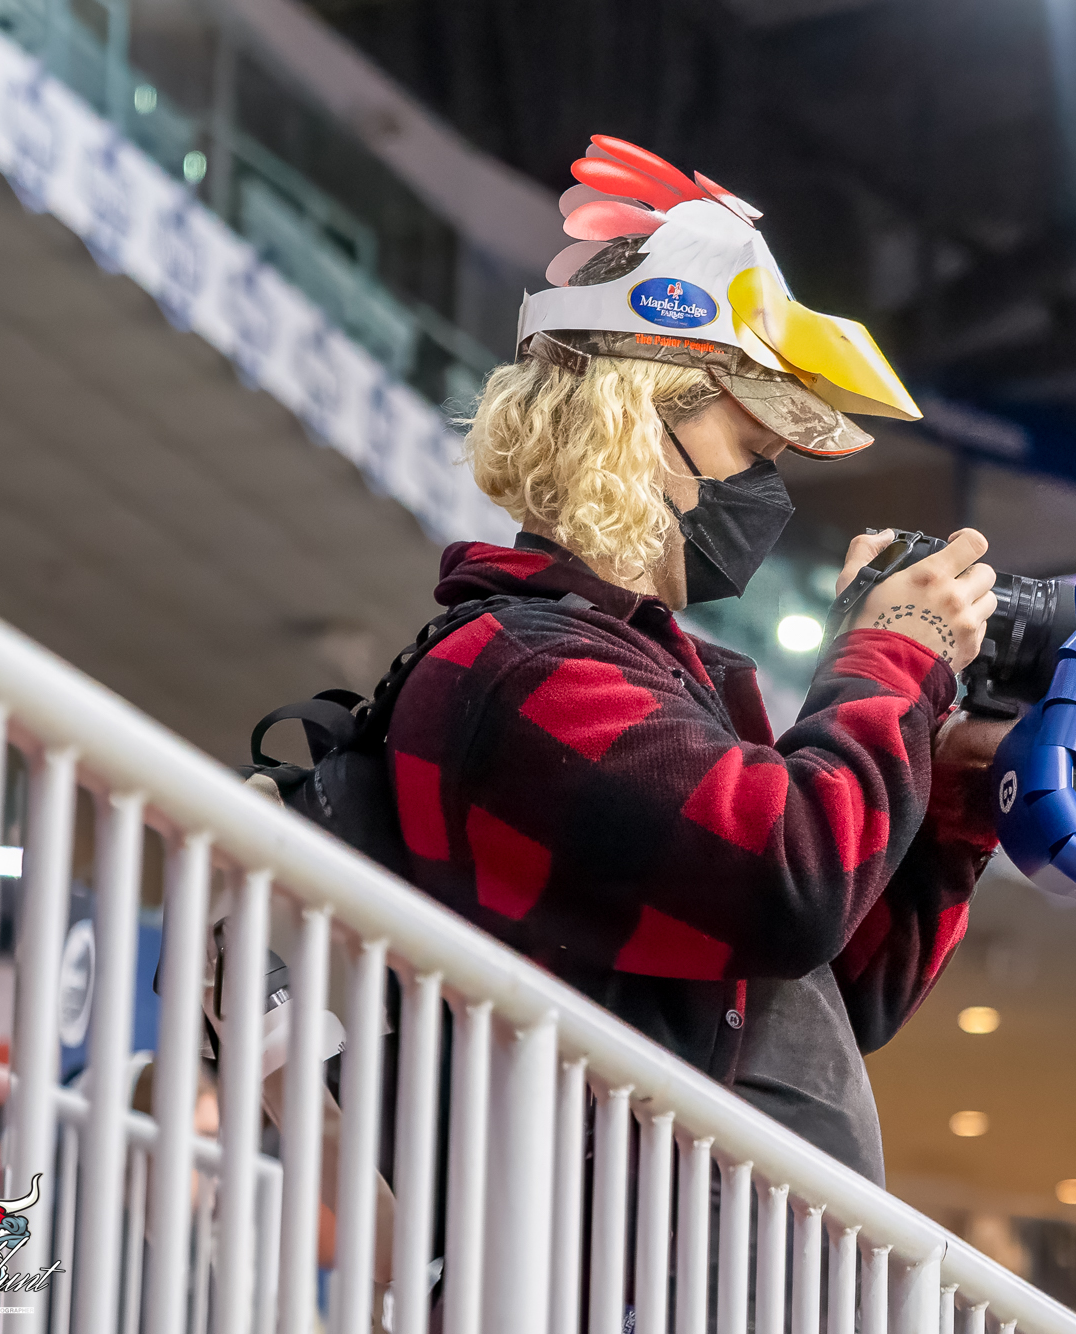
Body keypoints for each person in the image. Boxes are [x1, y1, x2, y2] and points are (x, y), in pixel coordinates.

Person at [382, 136, 1015, 1183]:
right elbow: (790, 884)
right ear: (633, 416)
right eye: (751, 449)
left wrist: (946, 790)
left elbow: (837, 986)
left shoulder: (647, 674)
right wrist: (892, 657)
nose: (766, 492)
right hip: (600, 1251)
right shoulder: (514, 664)